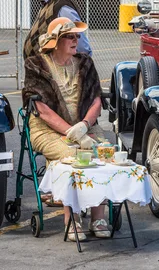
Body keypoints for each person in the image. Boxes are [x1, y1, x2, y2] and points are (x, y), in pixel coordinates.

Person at [22, 17, 109, 241]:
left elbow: (96, 100)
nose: (76, 40)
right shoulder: (36, 64)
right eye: (70, 36)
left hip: (84, 125)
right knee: (73, 157)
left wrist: (84, 126)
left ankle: (98, 217)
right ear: (56, 40)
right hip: (47, 129)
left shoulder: (85, 62)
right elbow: (41, 109)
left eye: (77, 36)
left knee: (104, 154)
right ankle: (73, 218)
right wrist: (72, 133)